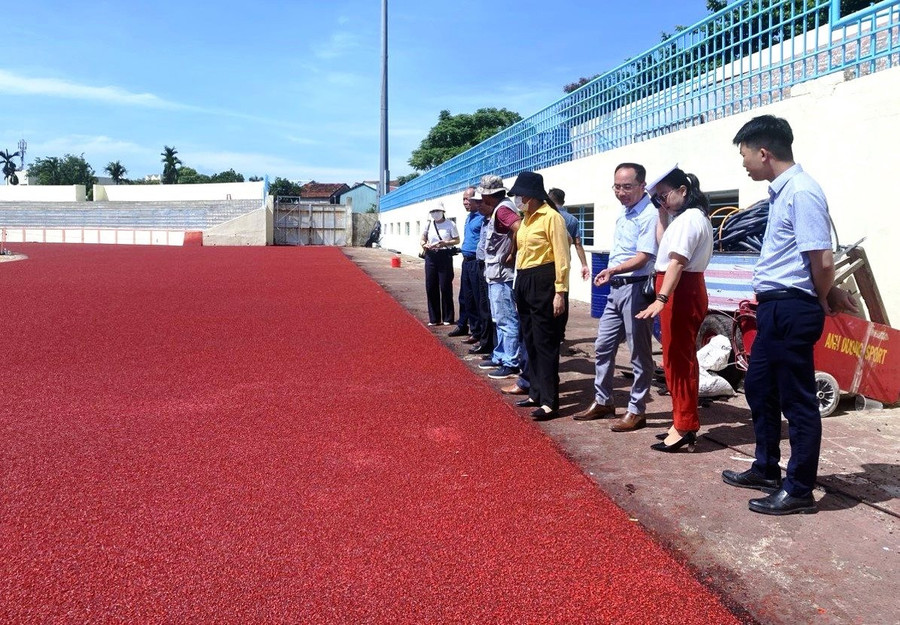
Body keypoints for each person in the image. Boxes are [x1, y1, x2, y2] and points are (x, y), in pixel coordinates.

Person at [721, 115, 857, 515]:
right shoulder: (781, 193)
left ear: (763, 152)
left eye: (745, 155)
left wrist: (822, 297)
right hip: (776, 305)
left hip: (792, 305)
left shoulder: (801, 191)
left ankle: (798, 488)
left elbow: (823, 259)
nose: (744, 163)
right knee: (759, 387)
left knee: (797, 401)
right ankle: (766, 467)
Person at [573, 163, 658, 431]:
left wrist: (613, 270)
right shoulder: (625, 213)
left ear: (643, 185)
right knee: (602, 346)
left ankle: (636, 409)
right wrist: (613, 273)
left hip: (636, 287)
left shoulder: (650, 215)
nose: (621, 192)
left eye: (627, 187)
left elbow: (644, 256)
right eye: (617, 187)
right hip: (616, 288)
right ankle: (603, 400)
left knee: (639, 353)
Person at [635, 166, 714, 453]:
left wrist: (662, 298)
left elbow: (677, 262)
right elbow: (663, 243)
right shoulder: (685, 218)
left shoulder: (690, 219)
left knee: (679, 361)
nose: (661, 202)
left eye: (664, 195)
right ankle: (680, 422)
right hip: (680, 288)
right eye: (656, 199)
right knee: (674, 358)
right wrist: (661, 210)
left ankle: (684, 425)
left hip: (680, 290)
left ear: (683, 191)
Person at [511, 172, 570, 420]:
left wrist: (560, 292)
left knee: (545, 342)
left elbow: (562, 256)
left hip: (544, 279)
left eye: (520, 195)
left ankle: (549, 401)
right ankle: (535, 392)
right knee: (530, 340)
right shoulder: (526, 219)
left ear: (531, 195)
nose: (517, 199)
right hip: (524, 279)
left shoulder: (551, 218)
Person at [476, 174, 522, 379]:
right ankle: (501, 355)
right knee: (499, 317)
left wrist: (512, 252)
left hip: (503, 274)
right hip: (496, 272)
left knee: (506, 318)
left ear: (491, 196)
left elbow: (519, 229)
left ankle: (510, 361)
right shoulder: (500, 208)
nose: (481, 202)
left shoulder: (503, 210)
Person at [548, 187, 590, 344]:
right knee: (562, 298)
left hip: (546, 265)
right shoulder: (572, 220)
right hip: (564, 264)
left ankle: (549, 333)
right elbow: (578, 244)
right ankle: (560, 334)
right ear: (563, 201)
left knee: (548, 300)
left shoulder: (547, 215)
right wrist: (584, 264)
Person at [449, 187, 485, 339]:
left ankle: (477, 332)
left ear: (476, 200)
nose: (465, 202)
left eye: (467, 199)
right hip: (466, 261)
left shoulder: (482, 218)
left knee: (477, 298)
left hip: (476, 262)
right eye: (463, 199)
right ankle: (463, 325)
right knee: (464, 297)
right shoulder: (468, 217)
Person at [419, 203, 460, 326]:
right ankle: (434, 318)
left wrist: (445, 243)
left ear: (443, 211)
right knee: (431, 286)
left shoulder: (450, 224)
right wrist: (423, 244)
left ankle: (448, 317)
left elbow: (457, 240)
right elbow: (422, 238)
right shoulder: (428, 224)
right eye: (433, 211)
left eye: (437, 210)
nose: (435, 213)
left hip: (444, 255)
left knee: (445, 285)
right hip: (431, 256)